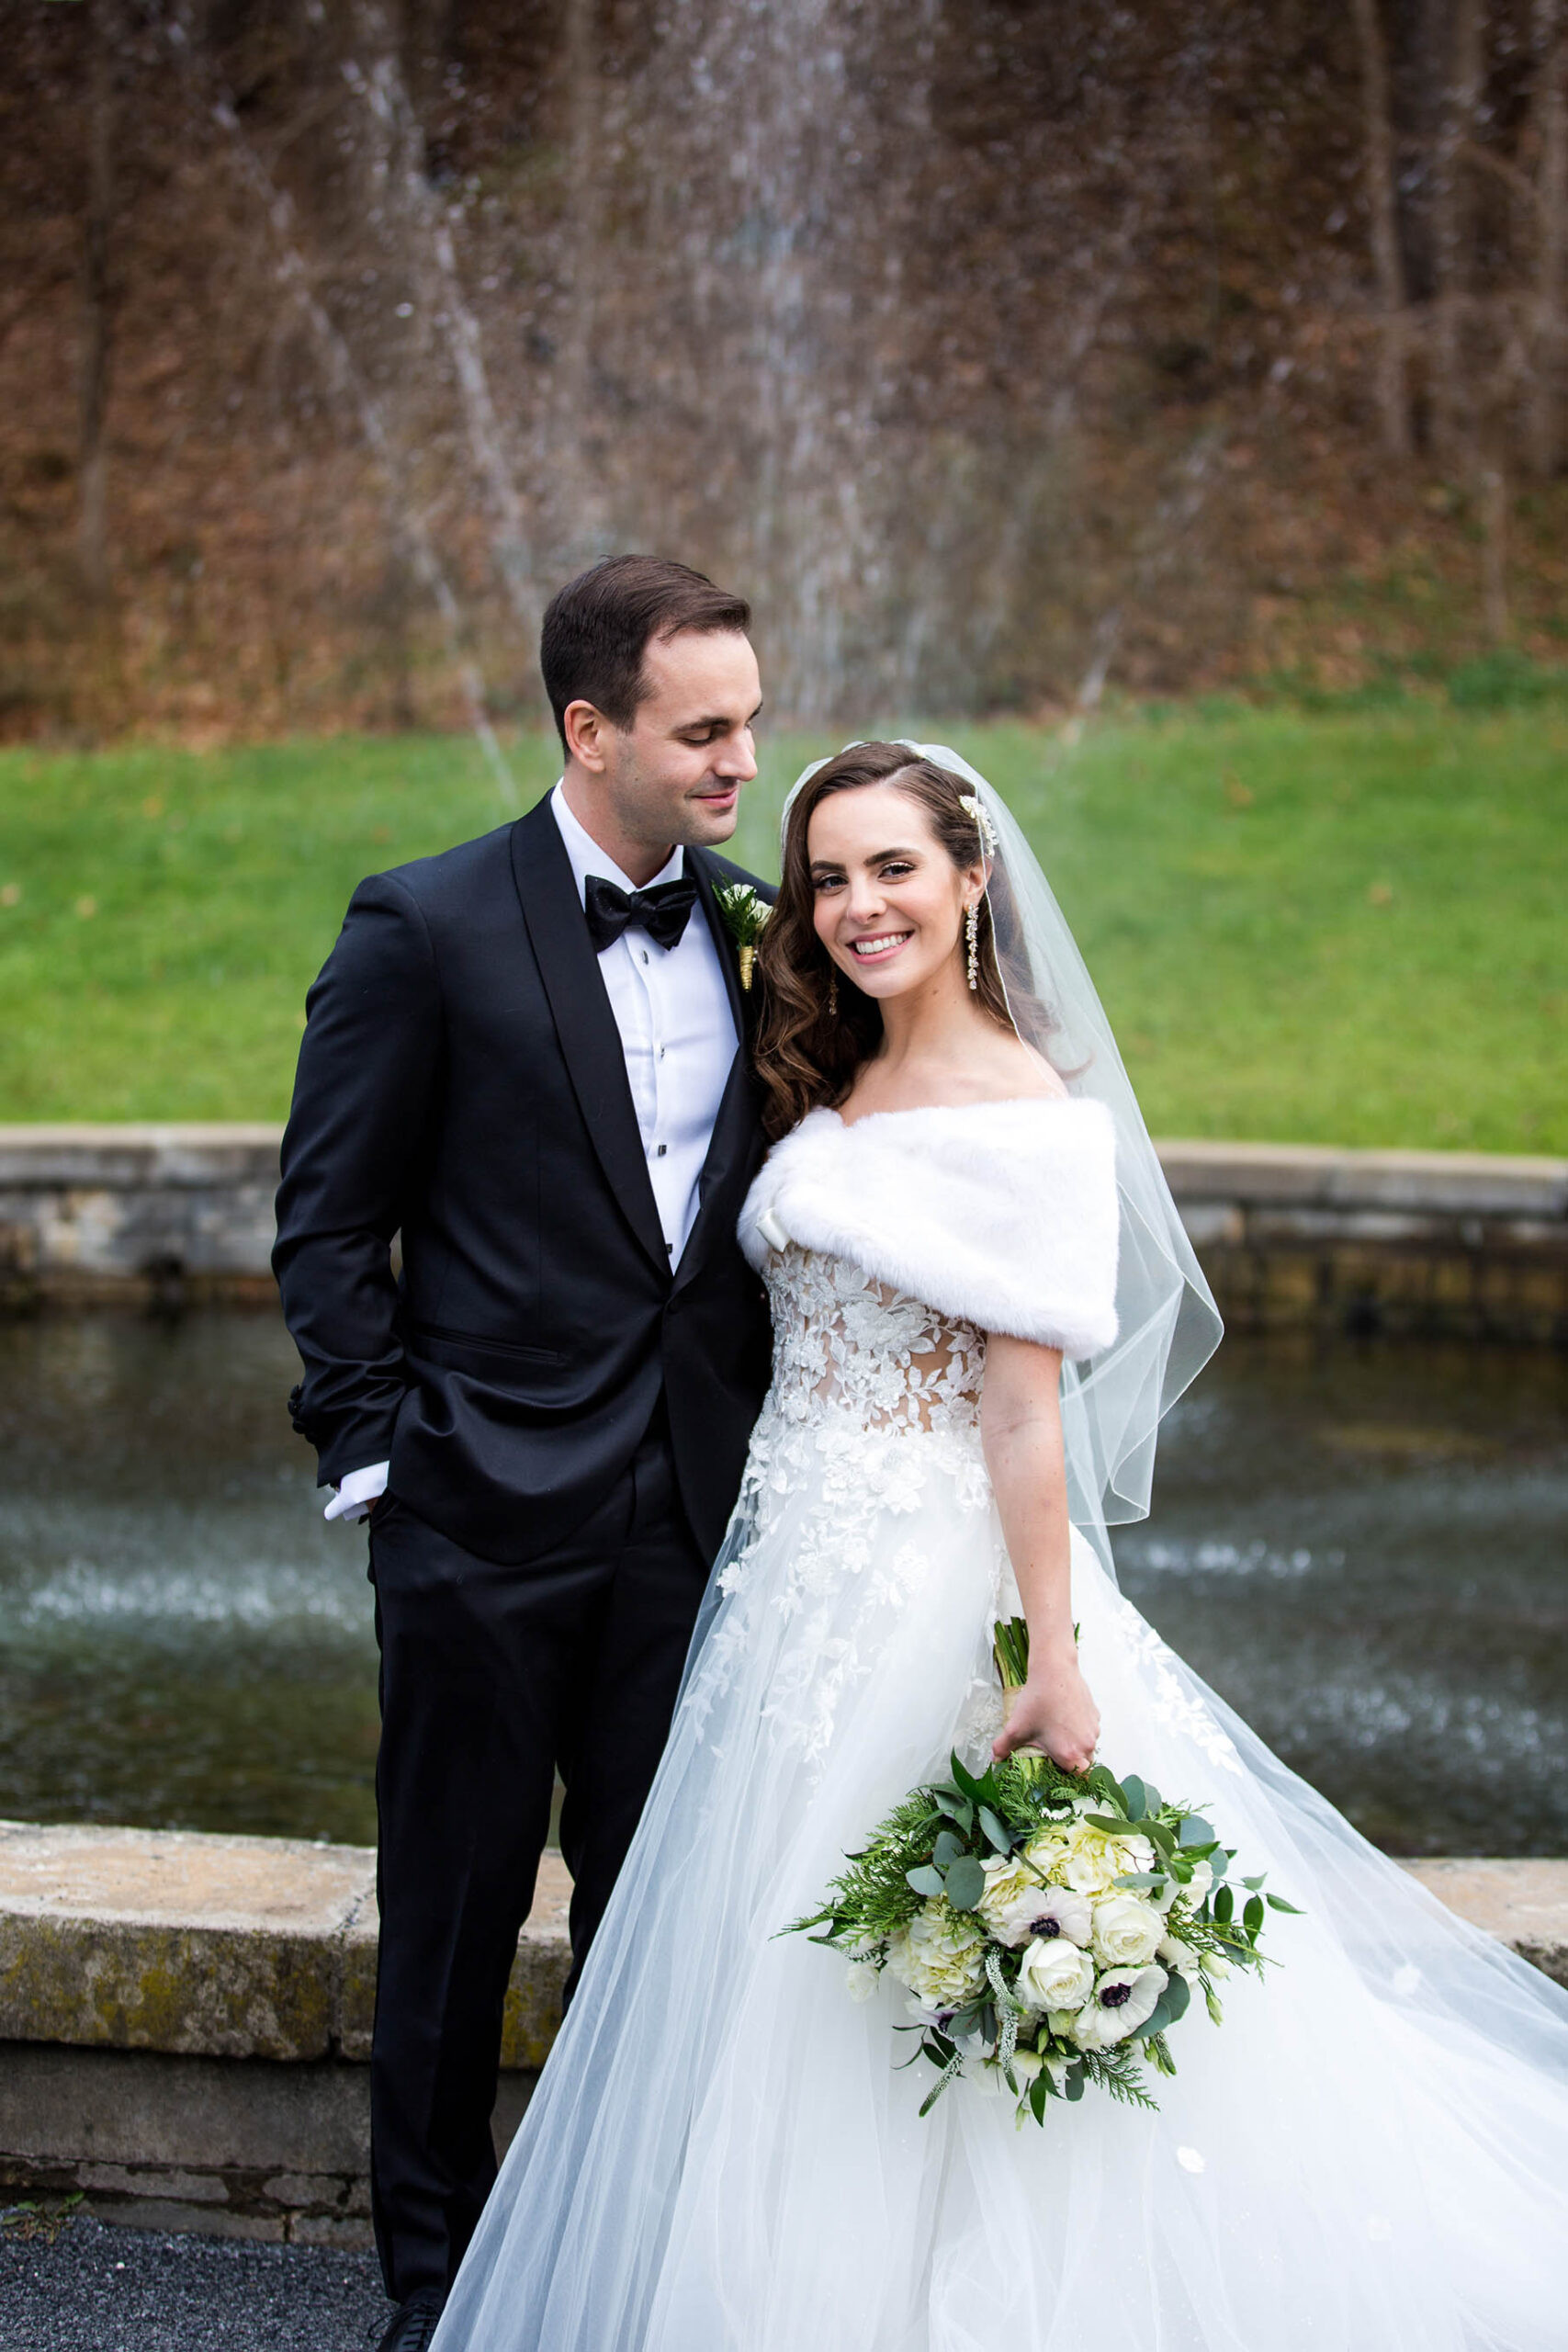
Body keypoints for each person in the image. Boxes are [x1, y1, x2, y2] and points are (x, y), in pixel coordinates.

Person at [430, 740, 1568, 2351]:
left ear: (973, 878)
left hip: (928, 1590)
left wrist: (1048, 1654)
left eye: (893, 868)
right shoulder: (832, 1072)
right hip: (786, 1588)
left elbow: (1024, 1420)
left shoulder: (1029, 1115)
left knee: (905, 1943)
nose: (853, 906)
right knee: (780, 1957)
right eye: (827, 876)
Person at [272, 555, 776, 2352]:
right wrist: (377, 1457)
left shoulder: (760, 928)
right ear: (590, 729)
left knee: (652, 1931)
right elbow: (327, 1220)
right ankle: (432, 2285)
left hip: (682, 1522)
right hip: (473, 1518)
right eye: (701, 728)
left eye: (745, 721)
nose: (739, 759)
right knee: (453, 1921)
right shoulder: (423, 925)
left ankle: (617, 2260)